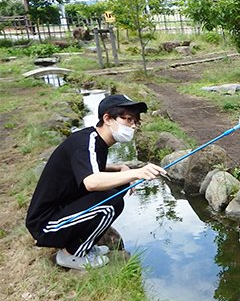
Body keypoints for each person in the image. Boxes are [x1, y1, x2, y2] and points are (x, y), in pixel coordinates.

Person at [26, 94, 168, 270]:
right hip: (46, 226)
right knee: (110, 202)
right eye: (128, 119)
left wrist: (119, 168)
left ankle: (84, 244)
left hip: (60, 214)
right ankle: (71, 254)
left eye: (136, 122)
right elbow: (91, 182)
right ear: (107, 118)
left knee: (118, 188)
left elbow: (89, 167)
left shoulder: (94, 140)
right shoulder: (86, 142)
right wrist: (136, 173)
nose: (133, 126)